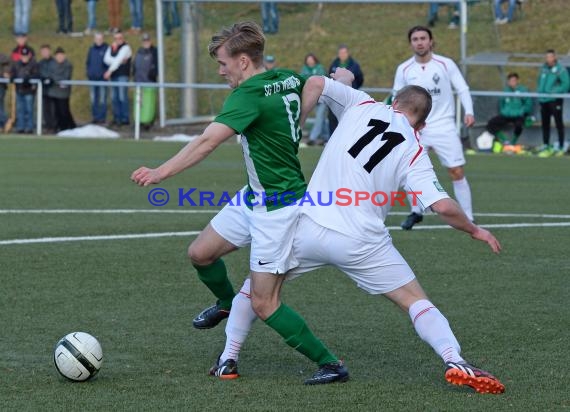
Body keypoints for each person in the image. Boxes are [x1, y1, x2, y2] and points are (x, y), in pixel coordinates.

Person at [207, 70, 506, 395]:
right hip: (363, 242)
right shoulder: (414, 149)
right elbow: (444, 207)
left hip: (310, 225)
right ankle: (453, 359)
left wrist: (297, 128)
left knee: (258, 288)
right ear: (421, 125)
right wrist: (475, 230)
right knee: (415, 301)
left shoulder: (362, 104)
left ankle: (228, 358)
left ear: (393, 101)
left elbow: (318, 83)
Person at [131, 21, 347, 385]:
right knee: (200, 253)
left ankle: (330, 363)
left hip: (277, 211)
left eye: (224, 63)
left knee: (264, 303)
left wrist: (160, 173)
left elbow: (206, 142)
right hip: (252, 197)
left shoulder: (247, 96)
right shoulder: (287, 78)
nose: (220, 71)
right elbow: (312, 89)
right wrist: (338, 80)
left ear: (244, 61)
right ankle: (229, 302)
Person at [393, 26, 475, 230]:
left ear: (431, 41)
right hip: (415, 128)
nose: (419, 42)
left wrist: (469, 111)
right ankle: (415, 212)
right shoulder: (404, 69)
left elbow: (462, 88)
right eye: (415, 39)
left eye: (423, 38)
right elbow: (396, 97)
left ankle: (469, 217)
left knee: (456, 171)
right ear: (411, 43)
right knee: (410, 171)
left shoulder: (445, 64)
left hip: (443, 126)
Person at [477, 72, 532, 152]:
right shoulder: (506, 91)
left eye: (514, 80)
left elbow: (528, 104)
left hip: (518, 115)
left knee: (519, 125)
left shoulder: (523, 90)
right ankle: (505, 142)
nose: (512, 82)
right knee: (492, 123)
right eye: (510, 81)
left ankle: (513, 142)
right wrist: (504, 111)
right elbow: (501, 104)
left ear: (517, 81)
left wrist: (522, 111)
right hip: (506, 115)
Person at [536, 49, 570, 157]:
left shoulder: (560, 69)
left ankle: (560, 146)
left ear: (555, 57)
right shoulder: (543, 68)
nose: (548, 59)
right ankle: (546, 144)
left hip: (555, 100)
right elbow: (539, 81)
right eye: (547, 57)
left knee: (558, 123)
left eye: (550, 57)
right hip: (543, 100)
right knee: (545, 123)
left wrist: (554, 91)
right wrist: (540, 91)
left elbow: (566, 84)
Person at [328, 44, 363, 134]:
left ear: (348, 53)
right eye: (340, 53)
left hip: (349, 97)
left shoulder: (354, 65)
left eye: (344, 53)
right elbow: (329, 77)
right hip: (335, 96)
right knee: (333, 118)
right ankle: (332, 139)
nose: (342, 55)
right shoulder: (334, 64)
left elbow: (360, 79)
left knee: (348, 118)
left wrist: (353, 88)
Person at [104, 31, 132, 126]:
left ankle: (125, 119)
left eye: (120, 38)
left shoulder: (126, 47)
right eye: (116, 38)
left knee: (122, 97)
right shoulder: (111, 48)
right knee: (114, 98)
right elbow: (106, 59)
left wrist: (110, 70)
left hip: (122, 75)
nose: (118, 40)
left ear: (123, 38)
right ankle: (117, 118)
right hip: (114, 76)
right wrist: (117, 61)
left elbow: (118, 59)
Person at [300, 53, 328, 145]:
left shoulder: (320, 68)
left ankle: (312, 138)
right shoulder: (304, 69)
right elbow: (302, 80)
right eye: (308, 59)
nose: (310, 61)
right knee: (322, 119)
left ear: (315, 60)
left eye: (311, 59)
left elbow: (319, 81)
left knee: (319, 117)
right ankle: (326, 137)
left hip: (322, 98)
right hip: (311, 98)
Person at [10, 47, 38, 134]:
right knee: (20, 109)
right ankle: (20, 127)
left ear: (29, 55)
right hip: (19, 90)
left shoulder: (33, 64)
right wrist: (12, 77)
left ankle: (29, 128)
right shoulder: (17, 64)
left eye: (26, 56)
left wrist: (29, 79)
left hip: (29, 91)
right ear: (20, 56)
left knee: (29, 110)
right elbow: (13, 73)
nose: (24, 57)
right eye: (23, 55)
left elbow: (36, 75)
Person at [132, 33, 158, 128]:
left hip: (149, 81)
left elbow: (156, 66)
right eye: (144, 41)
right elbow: (135, 64)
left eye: (147, 41)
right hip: (139, 81)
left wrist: (152, 75)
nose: (145, 43)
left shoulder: (154, 52)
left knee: (148, 103)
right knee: (139, 103)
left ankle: (148, 121)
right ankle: (139, 121)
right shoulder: (139, 51)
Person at [48, 47, 76, 132]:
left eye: (61, 55)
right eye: (58, 55)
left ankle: (69, 127)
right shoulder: (52, 64)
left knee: (64, 110)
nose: (59, 57)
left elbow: (65, 77)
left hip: (63, 92)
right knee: (57, 111)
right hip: (54, 91)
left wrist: (54, 79)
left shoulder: (68, 65)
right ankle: (61, 128)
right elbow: (50, 74)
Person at [86, 32, 109, 124]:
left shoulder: (107, 49)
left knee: (102, 99)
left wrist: (106, 73)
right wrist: (88, 72)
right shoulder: (91, 49)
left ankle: (102, 118)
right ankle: (95, 117)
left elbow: (109, 63)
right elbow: (88, 62)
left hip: (102, 79)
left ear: (103, 39)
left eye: (100, 39)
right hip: (92, 78)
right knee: (93, 99)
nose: (98, 41)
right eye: (97, 39)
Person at [38, 45, 58, 133]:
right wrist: (41, 78)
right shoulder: (40, 63)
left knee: (53, 109)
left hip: (53, 90)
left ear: (49, 51)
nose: (45, 53)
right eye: (43, 51)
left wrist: (50, 78)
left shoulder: (54, 62)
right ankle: (47, 126)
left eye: (46, 51)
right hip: (44, 89)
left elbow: (55, 73)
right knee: (45, 109)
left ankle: (54, 127)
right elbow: (38, 73)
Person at [0, 54, 11, 130]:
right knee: (1, 106)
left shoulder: (3, 58)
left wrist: (4, 73)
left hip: (1, 86)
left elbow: (6, 73)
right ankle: (1, 125)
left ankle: (6, 119)